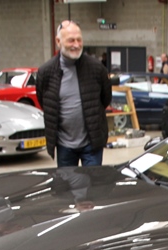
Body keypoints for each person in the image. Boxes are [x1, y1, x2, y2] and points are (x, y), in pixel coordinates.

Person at [36, 20, 112, 167]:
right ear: (58, 42)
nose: (76, 45)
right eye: (71, 40)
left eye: (79, 40)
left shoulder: (96, 69)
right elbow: (46, 103)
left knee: (93, 181)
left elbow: (105, 98)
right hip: (64, 145)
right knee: (67, 181)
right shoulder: (46, 72)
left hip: (91, 143)